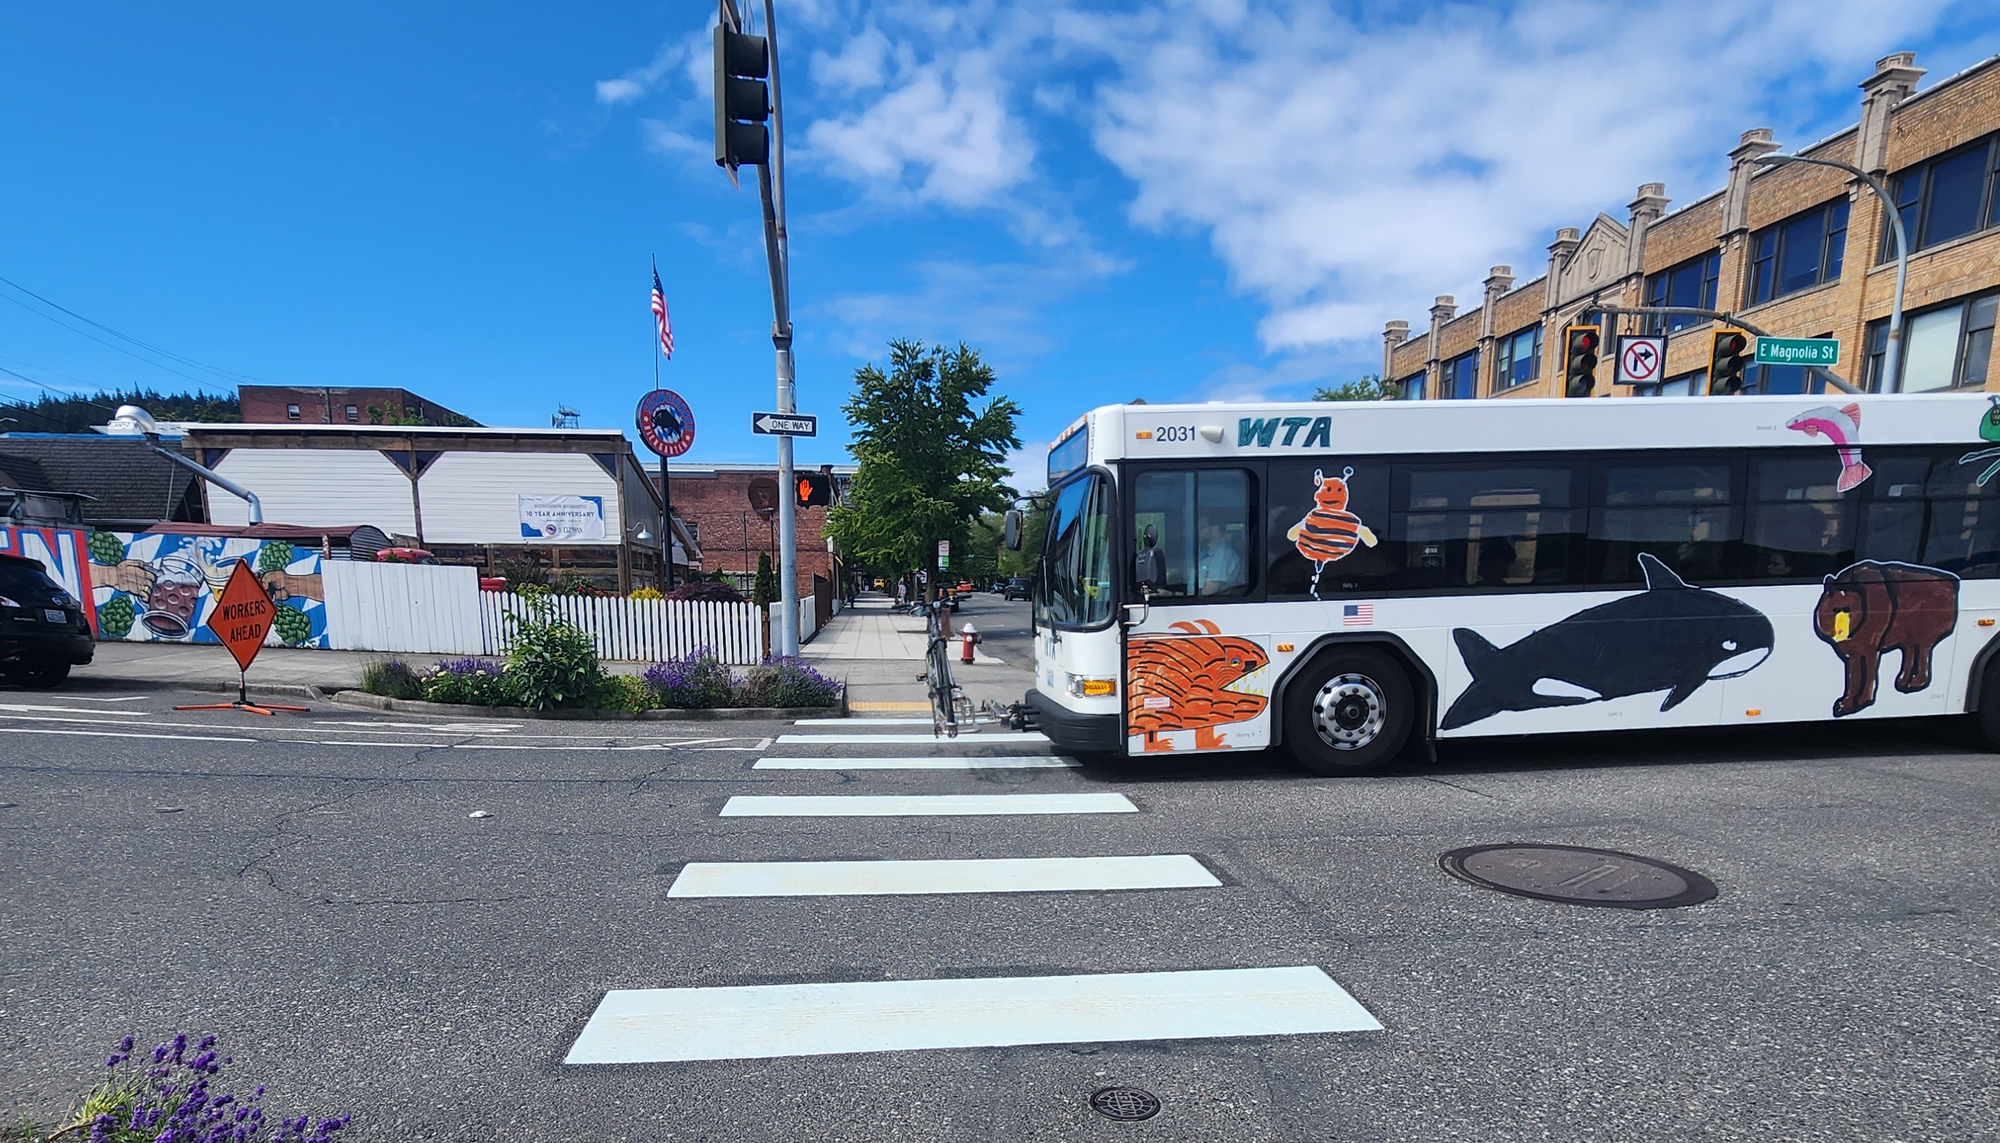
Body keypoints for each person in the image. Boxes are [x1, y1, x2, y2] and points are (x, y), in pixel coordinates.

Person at [1197, 518, 1244, 595]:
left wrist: (1176, 594)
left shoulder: (1223, 554)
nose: (1197, 532)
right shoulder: (1206, 552)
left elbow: (1209, 591)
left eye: (1201, 529)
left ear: (1215, 530)